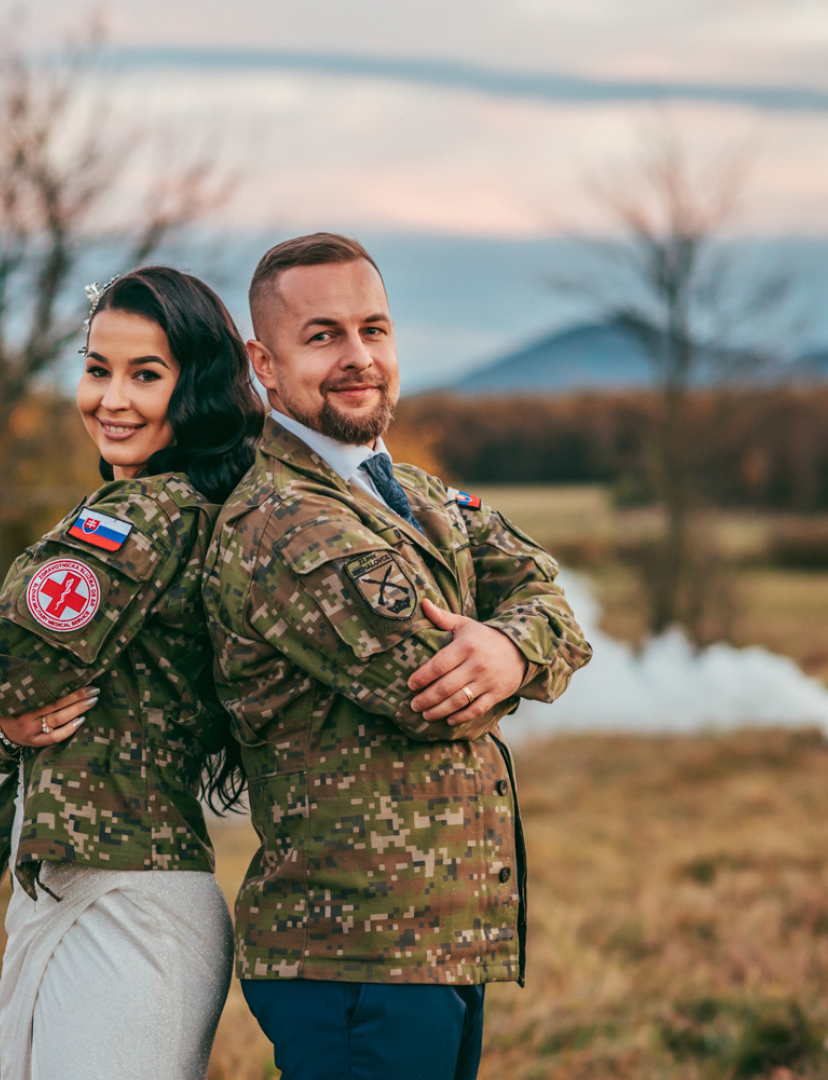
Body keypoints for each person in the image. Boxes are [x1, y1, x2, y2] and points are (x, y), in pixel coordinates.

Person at [203, 233, 594, 1080]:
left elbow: (549, 597)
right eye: (322, 336)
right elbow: (434, 694)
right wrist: (510, 658)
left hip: (433, 943)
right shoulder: (286, 520)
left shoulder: (411, 491)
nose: (357, 356)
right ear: (264, 365)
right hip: (354, 958)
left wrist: (510, 648)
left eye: (372, 329)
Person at [0, 266, 265, 1080]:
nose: (111, 400)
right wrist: (1, 724)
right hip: (92, 887)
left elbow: (8, 665)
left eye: (145, 375)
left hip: (127, 904)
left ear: (197, 387)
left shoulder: (140, 518)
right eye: (96, 369)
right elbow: (12, 707)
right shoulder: (161, 505)